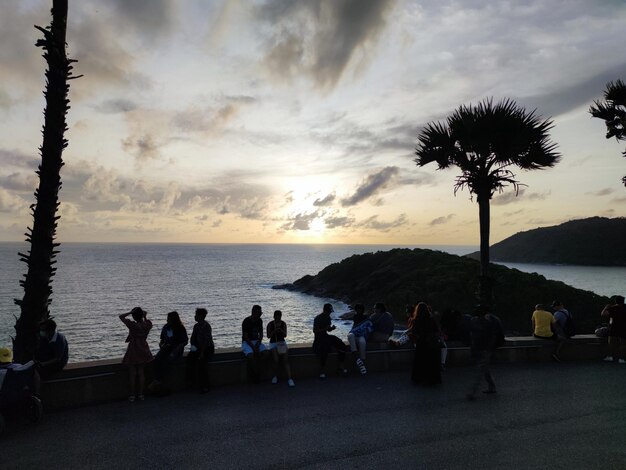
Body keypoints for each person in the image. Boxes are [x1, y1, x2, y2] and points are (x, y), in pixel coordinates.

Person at [466, 305, 503, 400]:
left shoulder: (483, 320)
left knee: (480, 369)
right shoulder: (491, 319)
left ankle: (472, 391)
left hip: (483, 347)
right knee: (484, 368)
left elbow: (474, 334)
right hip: (485, 347)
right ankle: (491, 386)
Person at [119, 307, 153, 402]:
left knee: (132, 373)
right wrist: (145, 316)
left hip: (134, 348)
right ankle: (141, 394)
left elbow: (121, 317)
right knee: (141, 372)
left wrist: (130, 312)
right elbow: (148, 323)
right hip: (143, 347)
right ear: (142, 315)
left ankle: (132, 395)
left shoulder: (132, 325)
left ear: (134, 316)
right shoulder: (147, 325)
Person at [150, 311, 188, 389]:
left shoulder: (181, 328)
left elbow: (185, 341)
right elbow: (162, 339)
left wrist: (176, 350)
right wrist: (161, 345)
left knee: (167, 361)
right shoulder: (166, 327)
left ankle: (162, 381)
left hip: (176, 349)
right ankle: (157, 379)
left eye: (168, 319)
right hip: (166, 347)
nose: (167, 320)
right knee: (157, 359)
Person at [313, 303, 348, 379]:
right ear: (325, 310)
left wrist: (331, 328)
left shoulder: (328, 317)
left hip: (326, 336)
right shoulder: (317, 318)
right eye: (329, 311)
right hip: (319, 339)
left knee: (341, 345)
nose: (329, 313)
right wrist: (325, 329)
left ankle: (341, 366)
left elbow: (328, 330)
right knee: (324, 350)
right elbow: (315, 331)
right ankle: (322, 370)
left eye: (330, 312)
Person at [410, 303, 441, 386]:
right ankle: (432, 379)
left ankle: (420, 378)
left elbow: (414, 332)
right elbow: (437, 331)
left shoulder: (416, 320)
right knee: (431, 362)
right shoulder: (431, 319)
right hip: (431, 343)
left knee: (420, 361)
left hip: (421, 343)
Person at [186, 308, 215, 393]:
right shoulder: (196, 326)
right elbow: (193, 338)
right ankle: (191, 382)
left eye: (196, 315)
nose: (195, 316)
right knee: (189, 360)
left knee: (202, 365)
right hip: (198, 348)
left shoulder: (206, 326)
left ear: (200, 316)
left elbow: (206, 340)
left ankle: (205, 386)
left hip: (207, 349)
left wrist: (202, 352)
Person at [267, 310, 295, 387]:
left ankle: (290, 379)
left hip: (281, 342)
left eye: (279, 317)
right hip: (273, 343)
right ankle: (275, 376)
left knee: (285, 360)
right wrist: (274, 331)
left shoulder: (283, 324)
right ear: (274, 316)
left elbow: (285, 335)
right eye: (276, 317)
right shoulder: (270, 324)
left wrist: (281, 330)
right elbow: (268, 336)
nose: (277, 318)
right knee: (276, 359)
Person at [242, 304, 267, 383]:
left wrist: (259, 342)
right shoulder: (246, 321)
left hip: (256, 341)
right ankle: (255, 373)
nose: (260, 315)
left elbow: (261, 334)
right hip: (247, 342)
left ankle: (258, 367)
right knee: (251, 356)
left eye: (260, 313)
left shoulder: (260, 320)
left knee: (266, 353)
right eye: (259, 313)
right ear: (253, 312)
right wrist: (253, 347)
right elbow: (245, 337)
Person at [346, 304, 372, 375]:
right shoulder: (355, 317)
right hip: (354, 334)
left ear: (362, 310)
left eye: (359, 309)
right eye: (357, 309)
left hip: (361, 335)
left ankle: (362, 362)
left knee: (362, 342)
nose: (358, 311)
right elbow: (354, 327)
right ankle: (357, 358)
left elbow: (369, 327)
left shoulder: (366, 318)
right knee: (350, 335)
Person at [601, 295, 626, 364]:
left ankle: (612, 356)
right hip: (624, 327)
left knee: (611, 343)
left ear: (615, 301)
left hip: (614, 327)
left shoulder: (613, 308)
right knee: (623, 344)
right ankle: (622, 358)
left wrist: (606, 307)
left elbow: (603, 314)